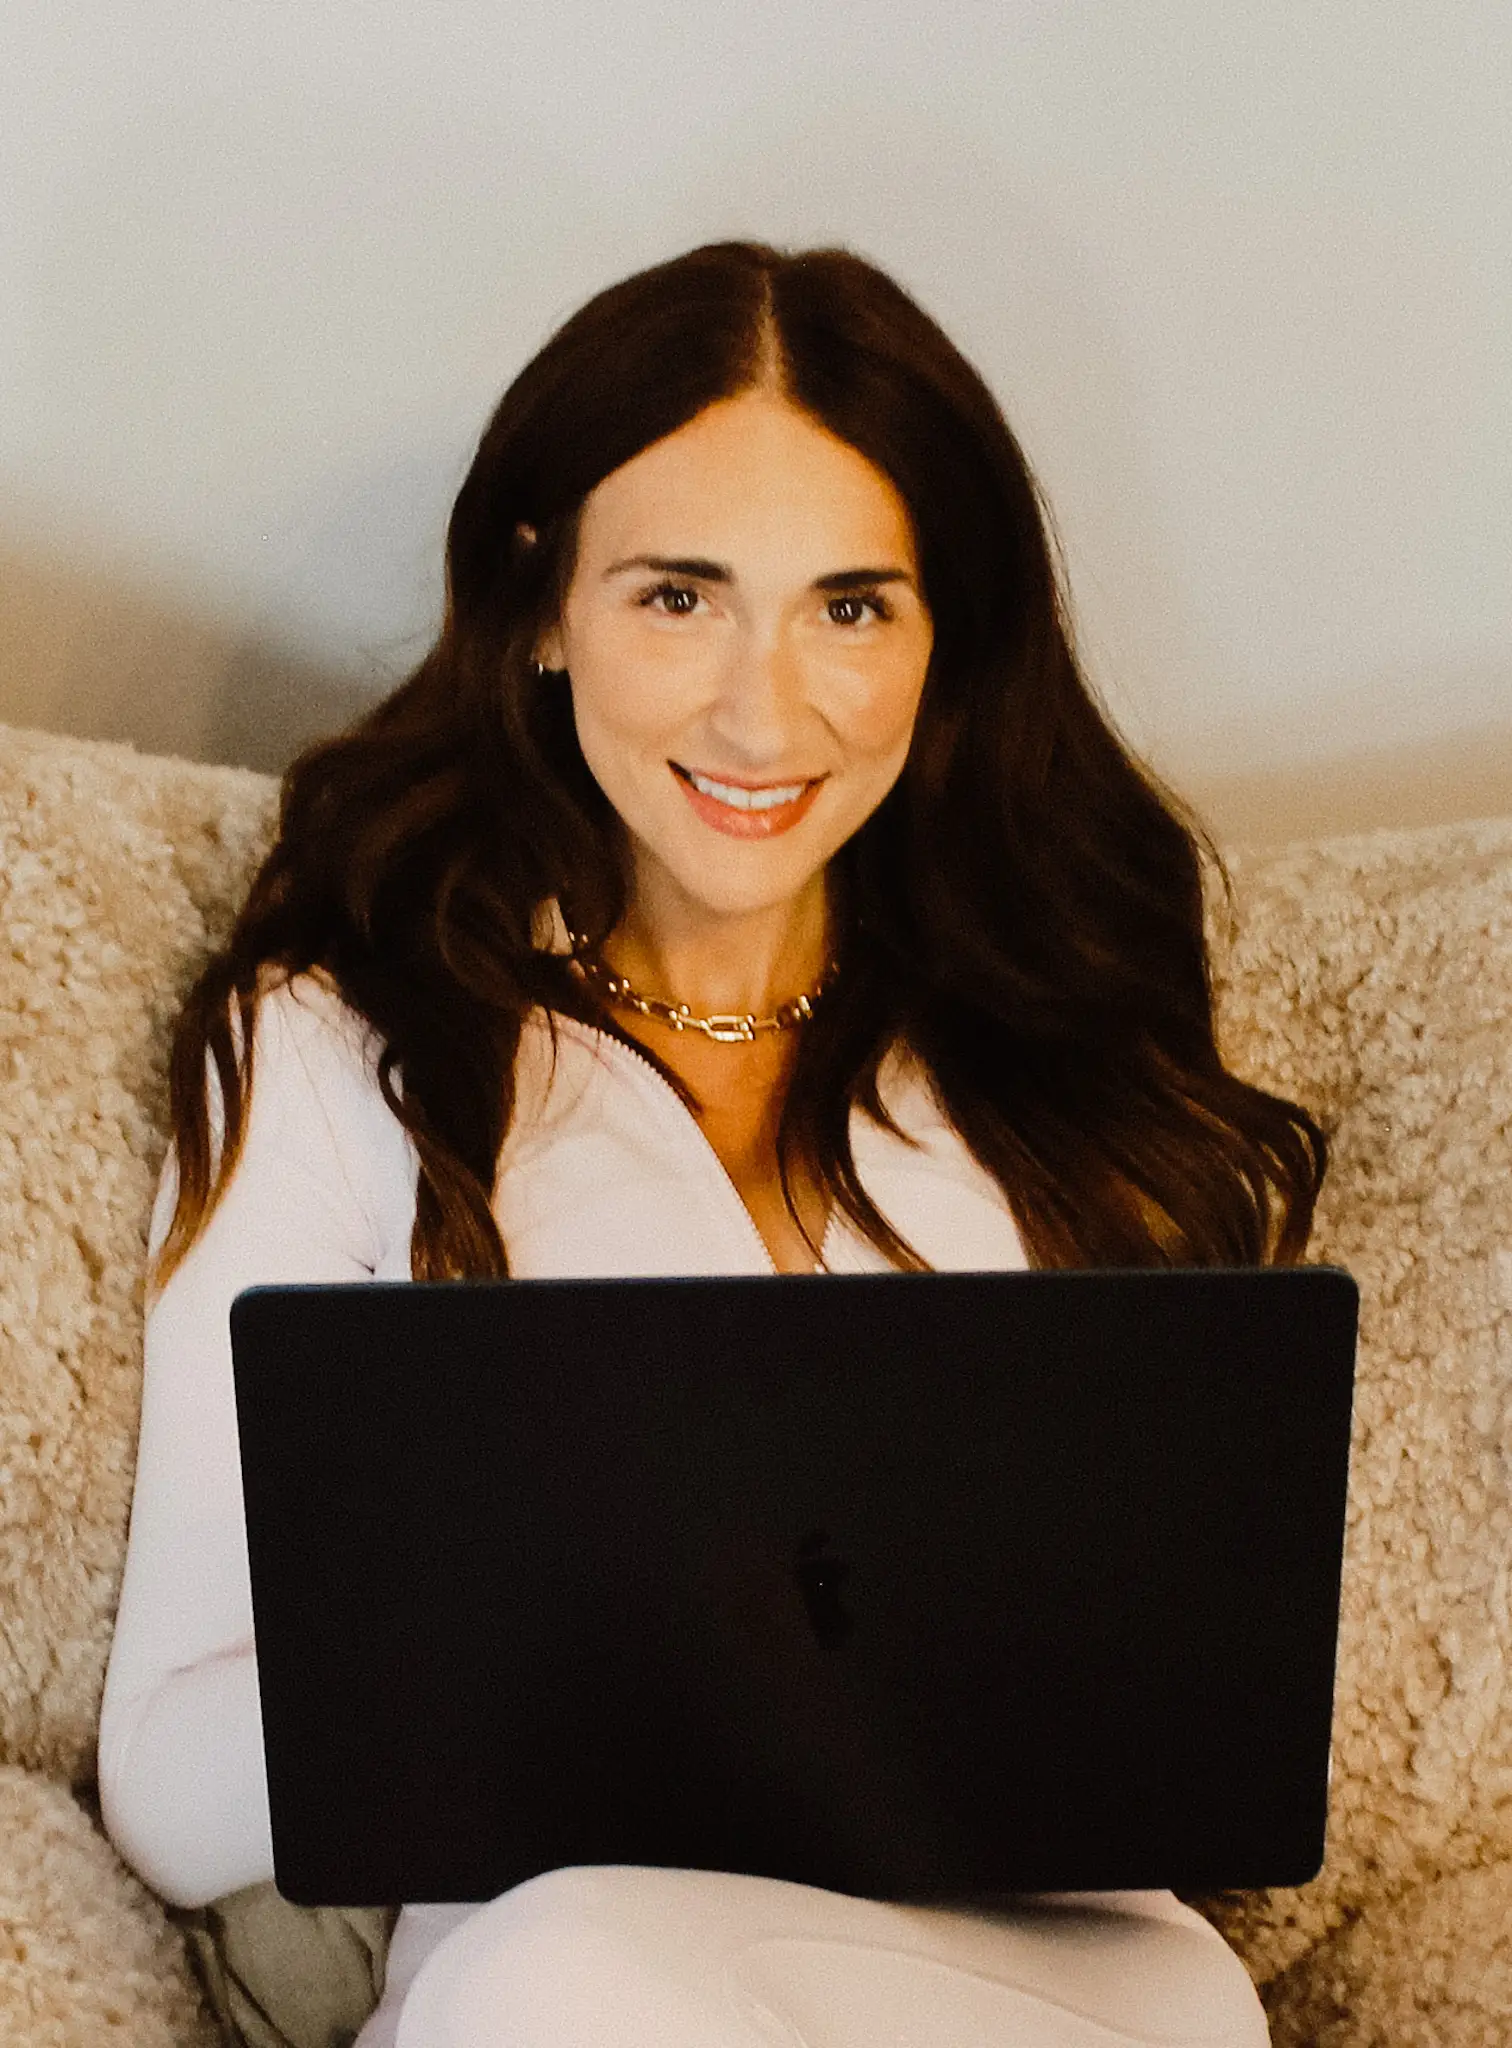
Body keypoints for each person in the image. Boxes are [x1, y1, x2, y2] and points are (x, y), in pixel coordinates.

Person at [98, 238, 1321, 2047]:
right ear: (541, 606)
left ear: (945, 644)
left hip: (1060, 1980)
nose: (763, 711)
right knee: (558, 1983)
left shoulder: (1053, 1045)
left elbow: (1191, 1717)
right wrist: (628, 1635)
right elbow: (171, 1776)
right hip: (576, 1973)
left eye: (852, 608)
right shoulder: (343, 1053)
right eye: (679, 597)